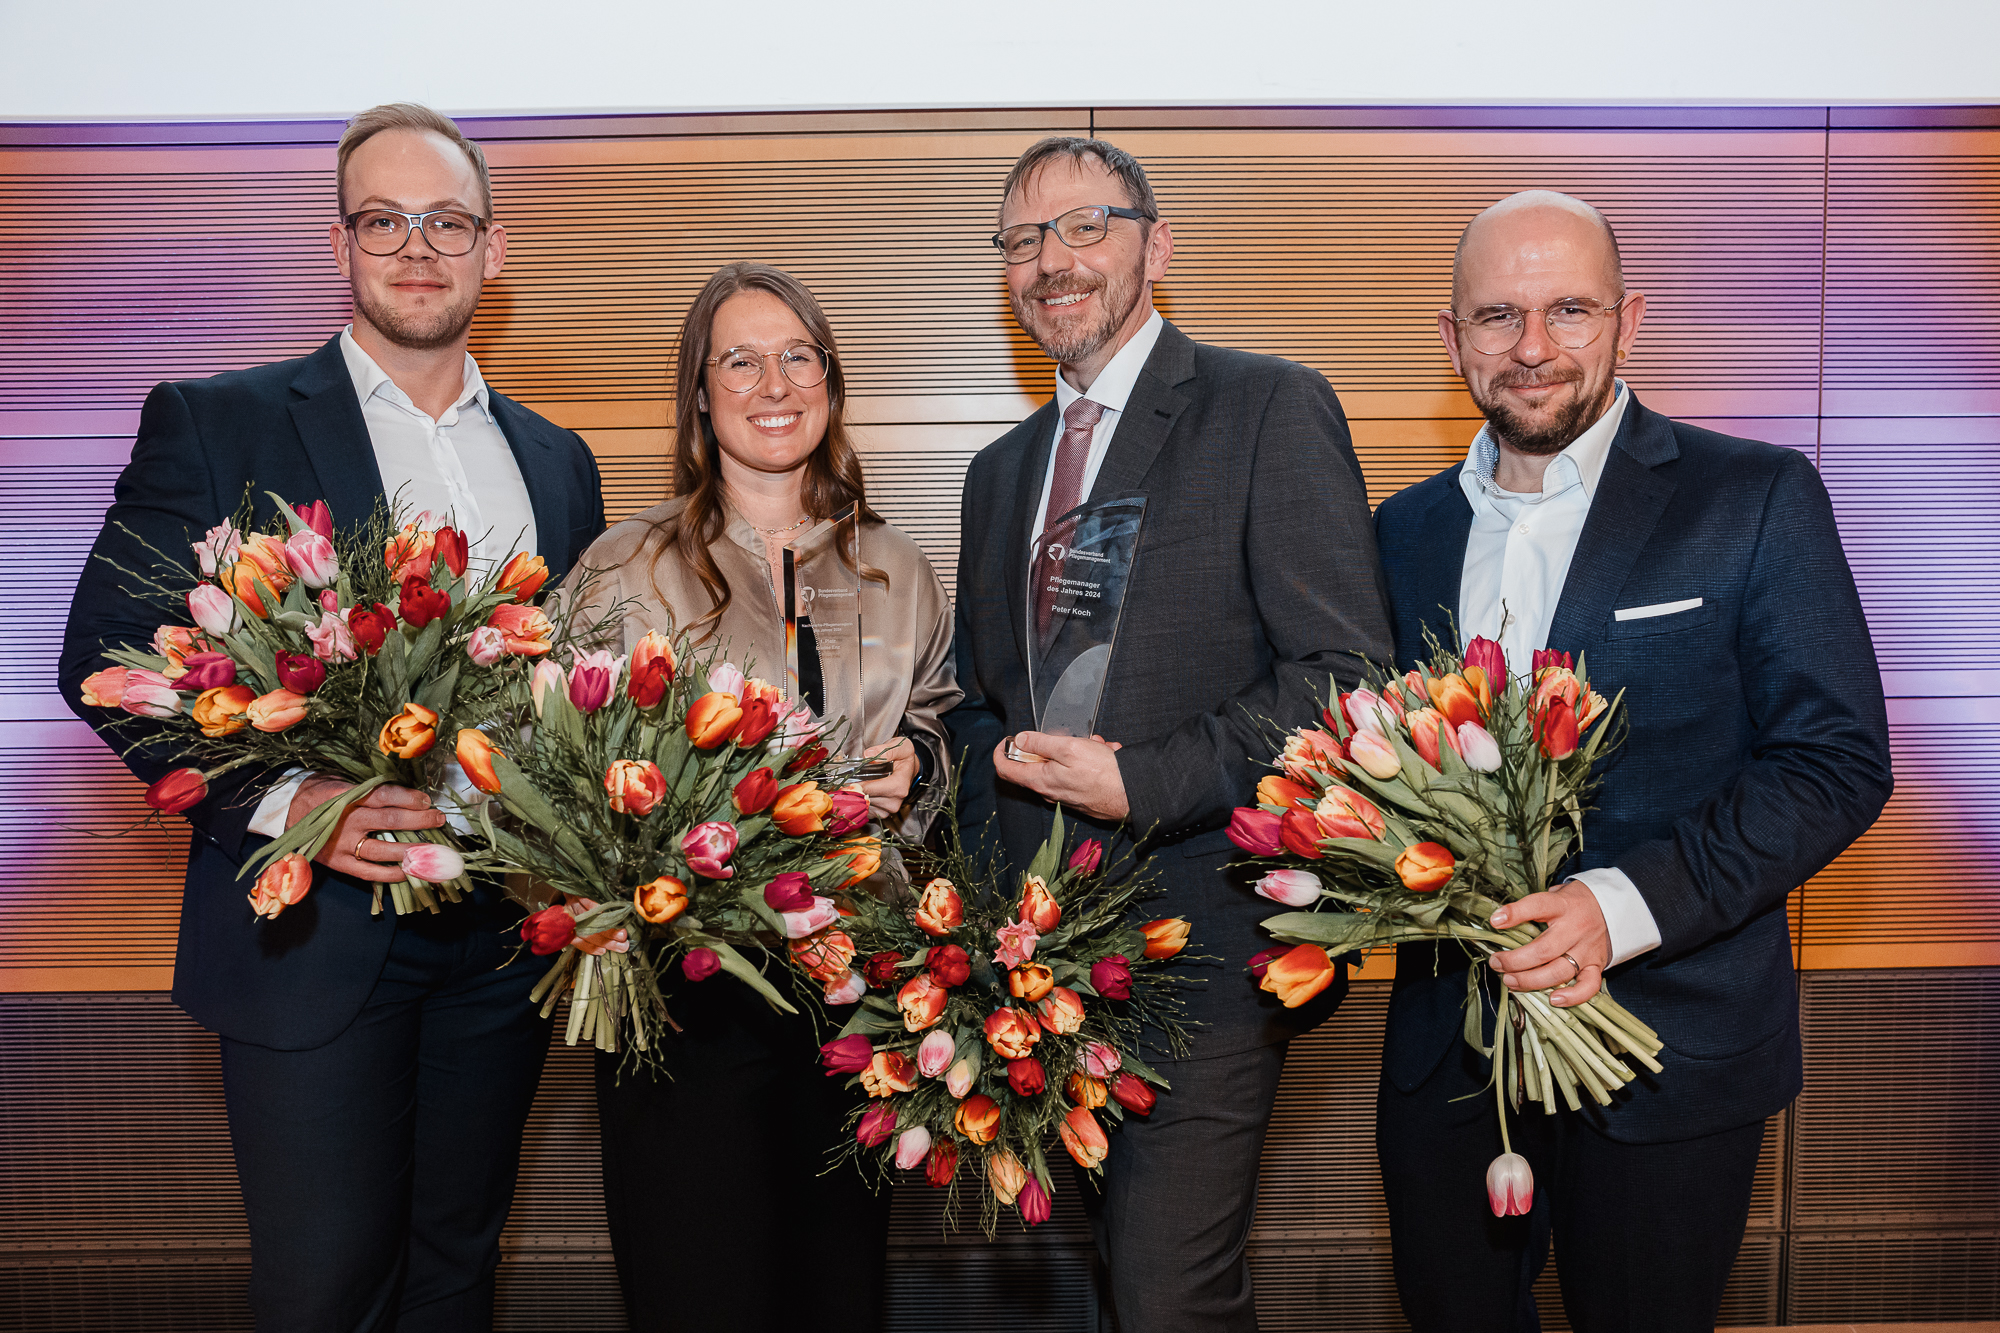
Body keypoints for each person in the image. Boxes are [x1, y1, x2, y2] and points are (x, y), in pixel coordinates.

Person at [58, 103, 605, 1332]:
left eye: (446, 221)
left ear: (493, 248)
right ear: (341, 243)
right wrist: (288, 802)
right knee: (324, 1293)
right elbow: (104, 653)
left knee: (456, 1275)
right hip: (313, 933)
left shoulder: (558, 459)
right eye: (383, 220)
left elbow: (572, 689)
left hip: (503, 937)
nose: (417, 247)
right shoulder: (219, 421)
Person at [1371, 190, 1893, 1332]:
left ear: (1629, 320)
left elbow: (1835, 761)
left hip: (1674, 1052)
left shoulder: (1753, 495)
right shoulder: (1399, 531)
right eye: (1497, 315)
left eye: (1569, 309)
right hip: (1449, 1063)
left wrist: (1619, 908)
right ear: (1451, 338)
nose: (1533, 347)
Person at [945, 137, 1394, 1332]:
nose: (1052, 259)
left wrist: (1141, 779)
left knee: (1165, 1292)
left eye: (1084, 225)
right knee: (1109, 1277)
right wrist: (986, 822)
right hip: (1040, 954)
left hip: (1205, 937)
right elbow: (986, 700)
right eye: (1022, 239)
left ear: (1158, 246)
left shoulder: (1264, 407)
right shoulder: (997, 473)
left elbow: (1344, 676)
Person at [554, 261, 960, 1333]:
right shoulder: (625, 567)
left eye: (796, 357)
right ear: (699, 393)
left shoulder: (898, 568)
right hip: (685, 997)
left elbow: (942, 722)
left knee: (839, 1297)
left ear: (830, 380)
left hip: (860, 997)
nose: (772, 384)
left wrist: (921, 764)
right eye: (738, 361)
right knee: (699, 1295)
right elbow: (547, 767)